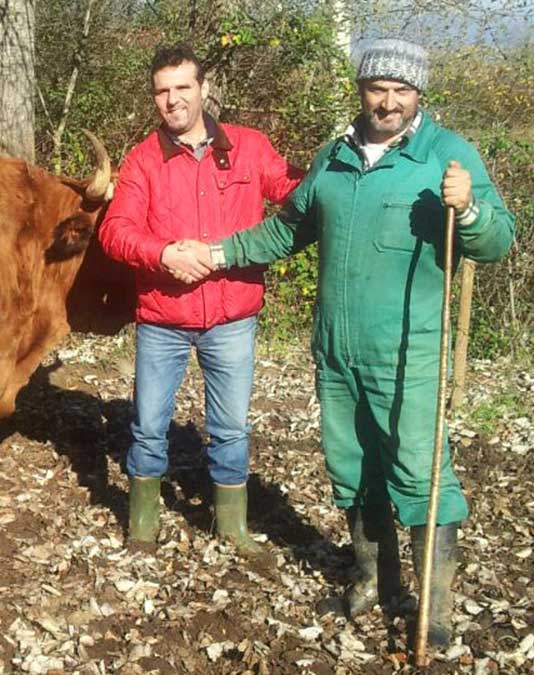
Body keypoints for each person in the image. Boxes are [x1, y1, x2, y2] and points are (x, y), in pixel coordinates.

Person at [182, 38, 515, 647]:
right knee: (352, 470)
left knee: (419, 473)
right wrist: (216, 254)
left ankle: (432, 612)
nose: (388, 102)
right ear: (361, 90)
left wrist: (468, 212)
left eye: (402, 91)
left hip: (407, 352)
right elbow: (285, 229)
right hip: (335, 350)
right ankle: (372, 581)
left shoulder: (445, 156)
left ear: (419, 94)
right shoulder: (333, 158)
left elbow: (496, 243)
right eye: (377, 88)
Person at [97, 45, 302, 556]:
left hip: (232, 317)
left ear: (204, 89)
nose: (173, 100)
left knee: (230, 429)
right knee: (148, 428)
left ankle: (231, 527)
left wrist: (339, 169)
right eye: (163, 92)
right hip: (162, 319)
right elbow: (116, 232)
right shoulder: (143, 160)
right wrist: (162, 253)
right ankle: (142, 526)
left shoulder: (250, 148)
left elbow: (293, 189)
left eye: (183, 88)